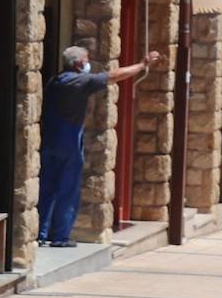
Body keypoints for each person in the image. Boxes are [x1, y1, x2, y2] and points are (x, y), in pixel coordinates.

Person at [37, 45, 162, 248]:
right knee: (68, 190)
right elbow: (114, 76)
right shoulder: (80, 81)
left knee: (47, 189)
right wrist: (142, 64)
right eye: (86, 60)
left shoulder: (56, 81)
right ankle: (60, 237)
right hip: (68, 143)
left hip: (49, 140)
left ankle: (41, 234)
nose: (88, 64)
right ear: (78, 64)